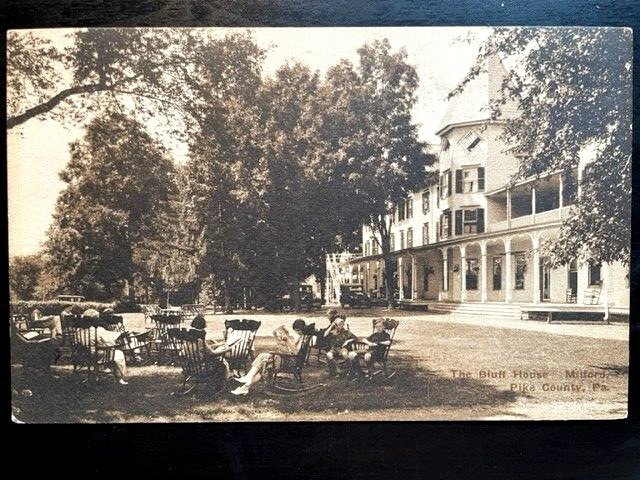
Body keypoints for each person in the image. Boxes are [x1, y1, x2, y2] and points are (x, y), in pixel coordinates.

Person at [230, 319, 306, 396]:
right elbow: (292, 351)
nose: (297, 332)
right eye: (296, 330)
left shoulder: (302, 339)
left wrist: (287, 341)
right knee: (263, 360)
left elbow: (295, 353)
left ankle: (247, 380)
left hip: (290, 363)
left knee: (263, 357)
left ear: (303, 329)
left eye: (298, 330)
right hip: (288, 359)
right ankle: (245, 386)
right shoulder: (302, 338)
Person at [79, 309, 129, 385]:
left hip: (83, 355)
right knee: (118, 353)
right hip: (97, 355)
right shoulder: (97, 330)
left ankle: (96, 373)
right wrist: (115, 342)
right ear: (95, 319)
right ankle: (120, 378)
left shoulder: (78, 330)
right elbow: (109, 340)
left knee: (104, 348)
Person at [188, 314, 236, 379]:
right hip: (201, 366)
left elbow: (205, 347)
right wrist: (226, 349)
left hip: (190, 365)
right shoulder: (200, 339)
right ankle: (226, 379)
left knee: (219, 359)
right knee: (222, 362)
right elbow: (211, 353)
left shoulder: (189, 337)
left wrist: (218, 344)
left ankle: (227, 376)